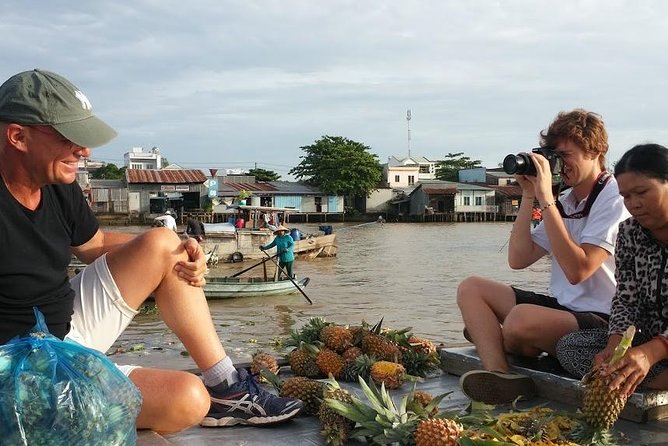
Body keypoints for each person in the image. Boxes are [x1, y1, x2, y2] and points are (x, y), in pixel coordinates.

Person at [0, 69, 301, 434]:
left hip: (65, 332)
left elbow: (94, 245)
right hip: (17, 369)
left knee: (164, 243)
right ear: (18, 136)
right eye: (70, 138)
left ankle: (226, 386)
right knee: (186, 399)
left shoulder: (54, 181)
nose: (85, 151)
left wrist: (179, 252)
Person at [456, 109, 630, 404]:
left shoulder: (614, 198)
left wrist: (547, 198)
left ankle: (505, 339)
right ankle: (500, 373)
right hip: (564, 309)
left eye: (566, 155)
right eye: (555, 156)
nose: (560, 165)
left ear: (596, 151)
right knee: (471, 288)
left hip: (604, 319)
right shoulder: (566, 200)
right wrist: (528, 195)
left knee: (519, 320)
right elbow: (519, 259)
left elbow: (580, 269)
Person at [557, 143, 668, 395]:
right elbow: (626, 300)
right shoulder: (629, 232)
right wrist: (615, 346)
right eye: (626, 196)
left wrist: (652, 353)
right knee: (571, 349)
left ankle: (636, 373)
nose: (634, 204)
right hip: (650, 345)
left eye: (642, 192)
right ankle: (632, 373)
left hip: (657, 349)